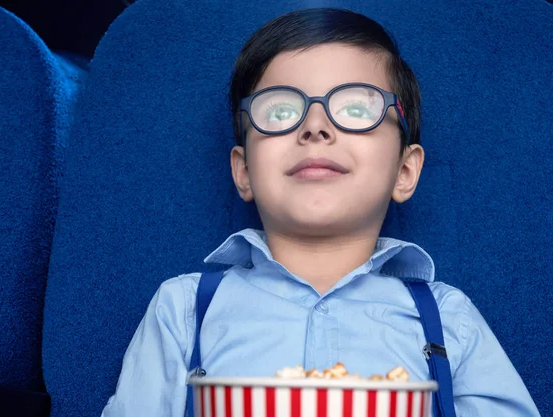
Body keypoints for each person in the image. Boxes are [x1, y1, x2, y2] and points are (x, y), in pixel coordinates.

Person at [101, 8, 540, 417]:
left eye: (356, 108)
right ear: (244, 171)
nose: (314, 126)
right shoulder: (184, 310)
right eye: (280, 111)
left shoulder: (448, 318)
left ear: (405, 171)